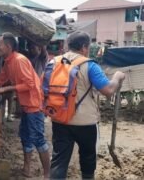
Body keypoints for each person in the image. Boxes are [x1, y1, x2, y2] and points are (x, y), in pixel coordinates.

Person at [0, 32, 50, 179]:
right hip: (26, 106)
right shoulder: (9, 62)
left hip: (34, 105)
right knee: (25, 136)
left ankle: (47, 174)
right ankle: (27, 169)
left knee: (38, 138)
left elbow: (29, 84)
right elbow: (1, 78)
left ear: (8, 46)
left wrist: (4, 89)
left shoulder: (19, 60)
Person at [49, 31, 125, 180]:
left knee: (59, 162)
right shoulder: (89, 65)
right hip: (85, 122)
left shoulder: (53, 63)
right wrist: (117, 77)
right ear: (84, 47)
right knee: (88, 161)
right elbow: (108, 91)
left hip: (59, 118)